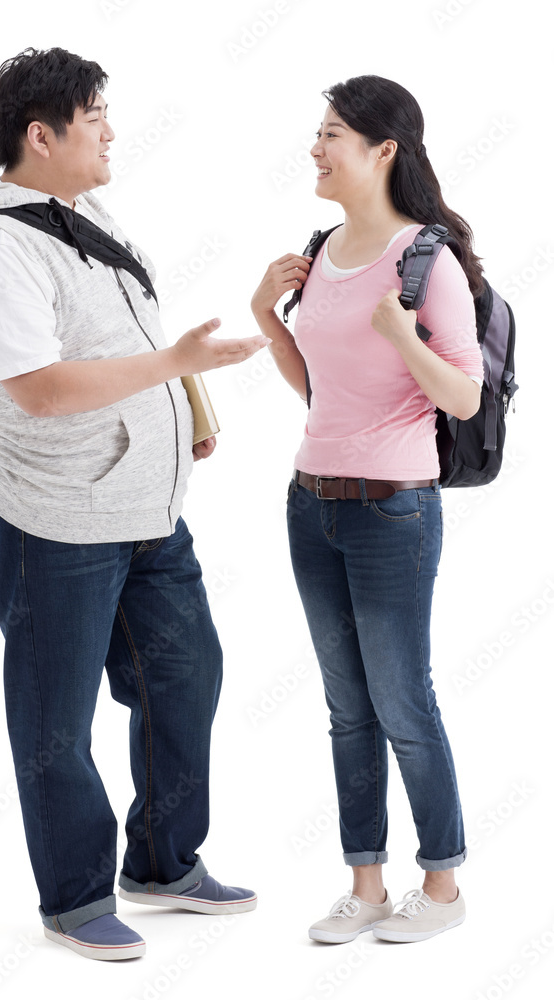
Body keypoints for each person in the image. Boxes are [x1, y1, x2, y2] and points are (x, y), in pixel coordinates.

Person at [0, 46, 267, 962]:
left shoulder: (83, 217)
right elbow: (40, 390)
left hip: (146, 507)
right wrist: (175, 367)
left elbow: (131, 334)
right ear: (40, 136)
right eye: (95, 118)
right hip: (53, 518)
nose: (113, 132)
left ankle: (162, 864)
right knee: (56, 718)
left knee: (185, 676)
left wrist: (184, 408)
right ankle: (75, 900)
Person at [251, 74, 484, 944]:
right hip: (308, 504)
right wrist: (264, 314)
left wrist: (399, 335)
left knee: (402, 704)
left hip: (393, 512)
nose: (314, 148)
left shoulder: (427, 261)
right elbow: (319, 390)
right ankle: (366, 887)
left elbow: (462, 397)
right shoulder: (321, 250)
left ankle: (442, 888)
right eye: (317, 132)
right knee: (346, 707)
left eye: (331, 135)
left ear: (383, 150)